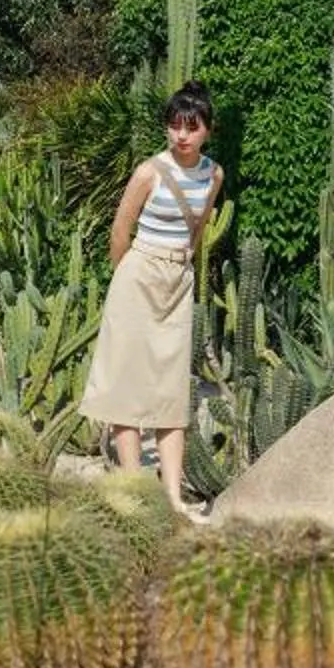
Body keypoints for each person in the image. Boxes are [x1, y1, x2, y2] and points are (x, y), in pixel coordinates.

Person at [78, 83, 221, 517]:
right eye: (174, 126)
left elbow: (198, 230)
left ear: (207, 130)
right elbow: (119, 233)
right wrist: (130, 277)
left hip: (178, 280)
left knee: (171, 389)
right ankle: (135, 489)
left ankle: (173, 499)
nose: (181, 135)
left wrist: (180, 267)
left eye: (191, 127)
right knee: (127, 383)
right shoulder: (148, 173)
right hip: (138, 275)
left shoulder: (213, 175)